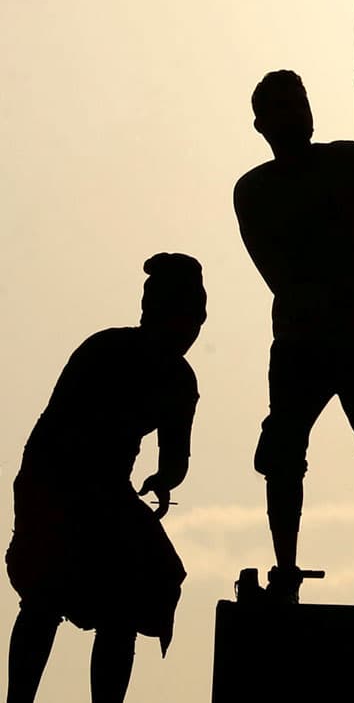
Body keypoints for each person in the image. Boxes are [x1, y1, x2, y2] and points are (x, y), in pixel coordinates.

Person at [232, 69, 354, 610]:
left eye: (301, 103)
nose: (297, 114)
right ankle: (286, 571)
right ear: (261, 125)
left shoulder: (346, 160)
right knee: (284, 453)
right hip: (305, 342)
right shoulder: (257, 191)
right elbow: (281, 264)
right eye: (283, 108)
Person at [6, 254, 206, 703]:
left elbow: (175, 459)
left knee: (125, 597)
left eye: (197, 322)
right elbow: (61, 429)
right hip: (56, 481)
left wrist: (161, 481)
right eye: (189, 318)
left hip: (96, 488)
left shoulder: (169, 376)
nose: (192, 332)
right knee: (49, 594)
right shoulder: (114, 353)